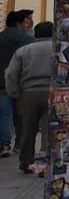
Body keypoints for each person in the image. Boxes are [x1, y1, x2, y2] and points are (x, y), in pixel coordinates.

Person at [5, 21, 55, 174]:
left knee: (27, 128)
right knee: (48, 129)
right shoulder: (59, 49)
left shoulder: (23, 51)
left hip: (29, 93)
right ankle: (46, 163)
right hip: (53, 92)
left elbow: (11, 74)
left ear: (35, 34)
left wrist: (14, 93)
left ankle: (26, 161)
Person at [0, 9, 34, 160]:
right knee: (20, 115)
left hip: (2, 83)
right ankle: (19, 144)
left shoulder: (1, 37)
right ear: (20, 23)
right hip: (22, 83)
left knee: (3, 115)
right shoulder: (28, 40)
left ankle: (4, 145)